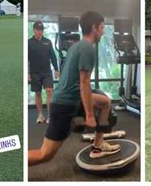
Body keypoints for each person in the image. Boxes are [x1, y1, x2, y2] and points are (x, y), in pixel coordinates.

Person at [28, 11, 120, 166]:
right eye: (102, 27)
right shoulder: (87, 48)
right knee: (44, 154)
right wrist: (90, 115)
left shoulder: (75, 46)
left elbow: (74, 79)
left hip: (71, 98)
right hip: (64, 104)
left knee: (105, 102)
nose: (103, 31)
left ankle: (98, 146)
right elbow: (84, 82)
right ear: (94, 28)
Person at [28, 21, 60, 123]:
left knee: (49, 91)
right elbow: (26, 59)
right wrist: (27, 73)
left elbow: (53, 57)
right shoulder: (29, 42)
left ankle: (50, 115)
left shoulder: (48, 42)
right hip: (34, 72)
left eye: (42, 30)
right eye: (38, 30)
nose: (40, 32)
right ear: (34, 30)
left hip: (47, 72)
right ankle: (40, 115)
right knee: (38, 93)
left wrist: (56, 69)